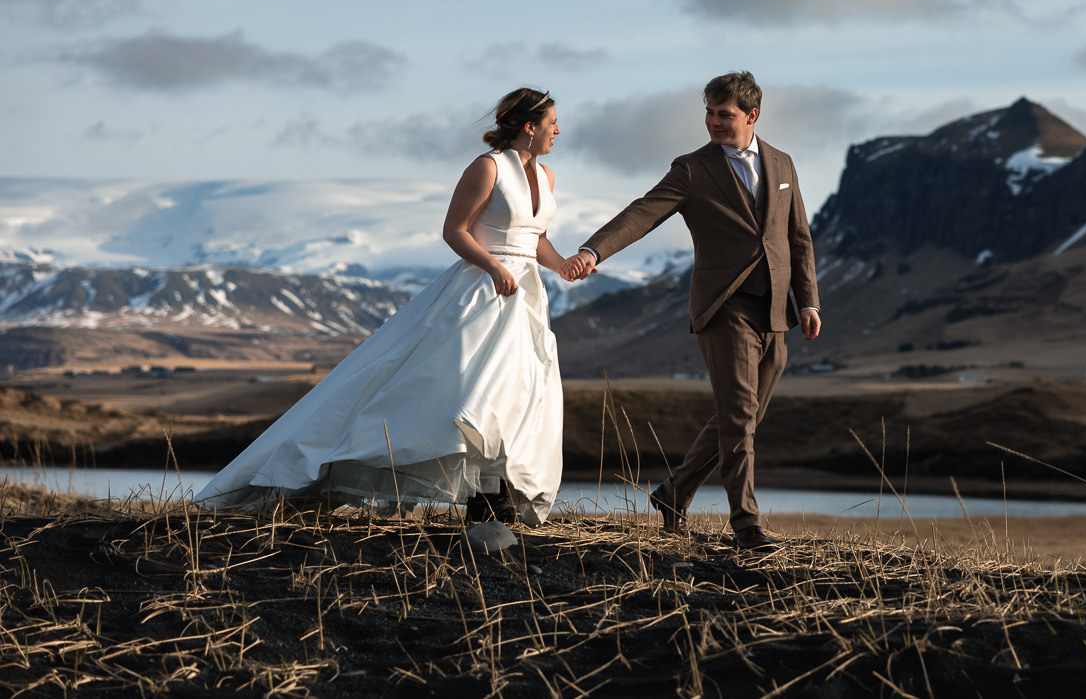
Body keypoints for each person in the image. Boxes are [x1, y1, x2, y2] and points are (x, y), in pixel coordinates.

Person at [197, 88, 570, 525]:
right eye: (552, 124)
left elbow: (535, 237)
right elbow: (455, 230)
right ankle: (475, 497)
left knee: (520, 393)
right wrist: (491, 267)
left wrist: (563, 266)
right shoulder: (487, 168)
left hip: (526, 297)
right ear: (530, 127)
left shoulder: (547, 176)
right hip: (482, 294)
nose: (557, 131)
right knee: (465, 392)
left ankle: (494, 498)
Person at [562, 71, 821, 551]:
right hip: (724, 307)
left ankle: (673, 494)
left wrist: (807, 299)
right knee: (739, 415)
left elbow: (797, 238)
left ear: (751, 116)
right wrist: (594, 251)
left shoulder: (782, 164)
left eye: (724, 115)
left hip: (777, 311)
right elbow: (642, 212)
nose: (713, 122)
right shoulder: (692, 169)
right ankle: (746, 524)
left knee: (740, 418)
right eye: (708, 113)